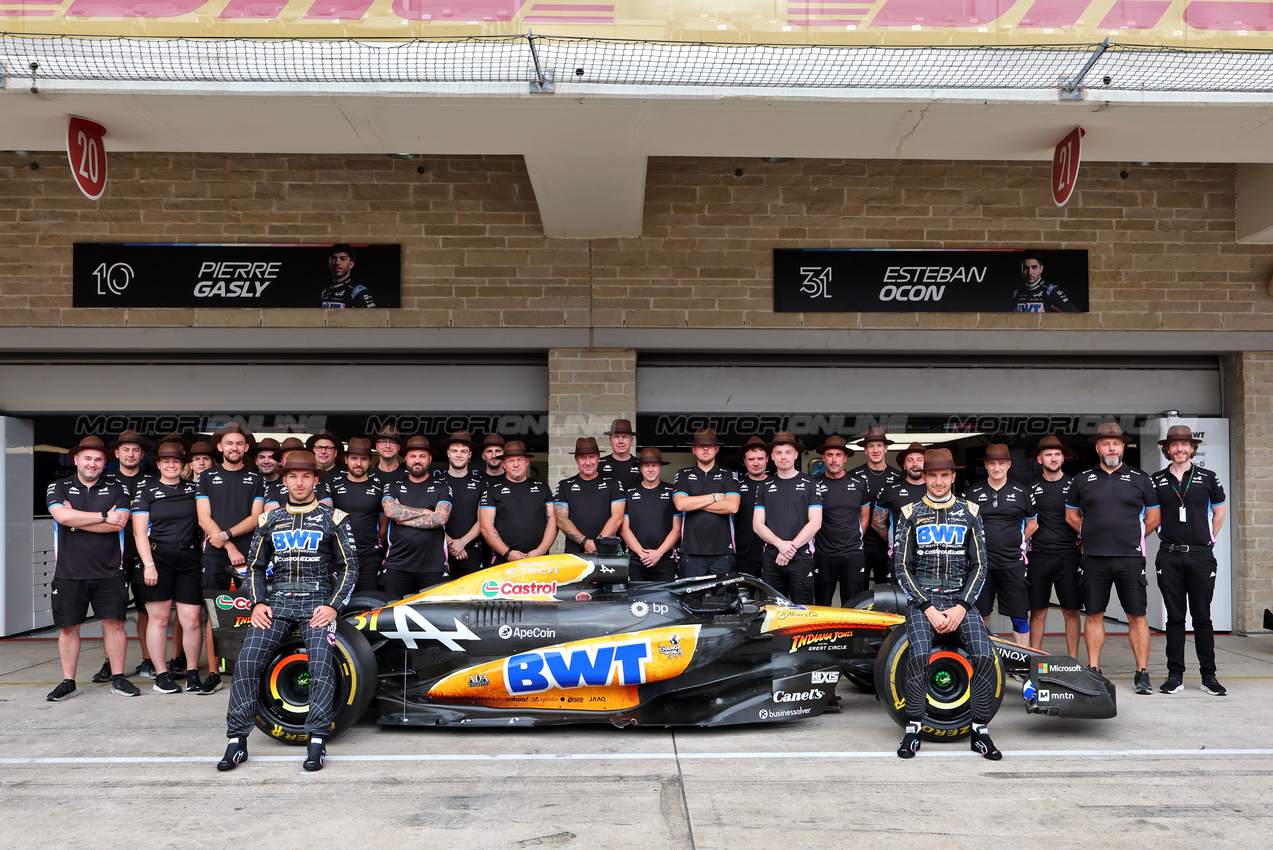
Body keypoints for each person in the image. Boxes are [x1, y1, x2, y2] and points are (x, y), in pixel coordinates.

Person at [216, 450, 358, 773]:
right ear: (284, 480)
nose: (299, 482)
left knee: (321, 665)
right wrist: (258, 603)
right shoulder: (269, 520)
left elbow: (350, 567)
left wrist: (333, 607)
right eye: (293, 476)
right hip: (276, 603)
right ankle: (236, 741)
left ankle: (317, 742)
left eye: (306, 476)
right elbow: (253, 566)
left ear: (315, 480)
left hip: (317, 603)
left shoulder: (334, 519)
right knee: (247, 662)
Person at [893, 448, 999, 760]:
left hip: (959, 601)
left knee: (982, 655)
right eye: (932, 475)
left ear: (953, 477)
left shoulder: (971, 511)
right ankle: (913, 729)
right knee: (919, 654)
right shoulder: (909, 513)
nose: (938, 481)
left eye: (944, 475)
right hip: (922, 600)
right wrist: (926, 606)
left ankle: (980, 732)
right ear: (923, 476)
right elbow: (901, 567)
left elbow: (980, 565)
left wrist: (962, 607)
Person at [1065, 421, 1161, 692]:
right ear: (1097, 448)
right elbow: (1071, 515)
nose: (1111, 448)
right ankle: (1094, 668)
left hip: (1130, 558)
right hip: (1093, 557)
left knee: (1137, 616)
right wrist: (1088, 534)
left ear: (1123, 446)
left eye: (1116, 443)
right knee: (1094, 614)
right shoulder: (1082, 479)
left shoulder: (1141, 478)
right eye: (1105, 443)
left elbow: (1154, 517)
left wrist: (1135, 537)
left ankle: (1141, 672)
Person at [45, 437, 137, 701]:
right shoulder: (58, 486)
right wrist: (103, 516)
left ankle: (118, 679)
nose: (92, 464)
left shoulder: (117, 487)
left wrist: (76, 522)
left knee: (115, 625)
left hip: (110, 571)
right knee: (69, 628)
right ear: (76, 460)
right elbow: (62, 516)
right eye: (87, 458)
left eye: (98, 459)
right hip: (68, 572)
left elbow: (120, 523)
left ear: (104, 463)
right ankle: (68, 681)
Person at [1149, 425, 1228, 696]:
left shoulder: (1208, 477)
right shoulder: (1156, 479)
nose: (1180, 449)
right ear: (1167, 449)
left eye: (1185, 444)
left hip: (1200, 556)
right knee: (1175, 618)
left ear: (1192, 448)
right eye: (1174, 445)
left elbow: (1220, 513)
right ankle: (1175, 675)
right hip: (1169, 555)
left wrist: (1208, 539)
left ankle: (1209, 676)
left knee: (1203, 618)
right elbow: (1149, 515)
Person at [195, 423, 266, 695]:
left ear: (246, 448)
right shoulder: (207, 477)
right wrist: (228, 546)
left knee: (254, 612)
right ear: (220, 448)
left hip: (251, 553)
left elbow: (256, 517)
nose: (234, 448)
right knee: (216, 614)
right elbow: (203, 518)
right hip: (215, 555)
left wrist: (226, 535)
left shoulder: (255, 477)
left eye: (239, 444)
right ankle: (214, 673)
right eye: (229, 443)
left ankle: (252, 671)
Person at [131, 441, 204, 694]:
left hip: (190, 559)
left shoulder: (195, 489)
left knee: (192, 620)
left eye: (176, 461)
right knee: (159, 619)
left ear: (183, 465)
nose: (171, 465)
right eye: (165, 461)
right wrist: (148, 565)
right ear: (158, 464)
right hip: (157, 558)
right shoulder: (146, 490)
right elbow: (139, 533)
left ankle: (192, 672)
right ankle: (161, 675)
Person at [96, 429, 157, 682]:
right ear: (117, 453)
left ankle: (148, 660)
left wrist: (124, 510)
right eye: (125, 449)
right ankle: (111, 663)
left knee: (147, 611)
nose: (130, 454)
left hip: (146, 556)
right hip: (112, 556)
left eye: (135, 450)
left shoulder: (154, 479)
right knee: (112, 614)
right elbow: (102, 512)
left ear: (142, 454)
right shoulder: (105, 479)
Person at [963, 444, 1037, 645]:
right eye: (992, 463)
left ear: (1009, 465)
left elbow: (1033, 523)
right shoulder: (972, 492)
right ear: (986, 465)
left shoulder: (1021, 491)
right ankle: (980, 663)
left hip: (1013, 564)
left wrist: (1019, 542)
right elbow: (964, 527)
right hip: (981, 565)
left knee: (1020, 617)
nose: (997, 468)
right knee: (980, 616)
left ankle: (1022, 668)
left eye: (1001, 463)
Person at [1027, 435, 1083, 657]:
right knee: (1038, 611)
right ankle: (1033, 658)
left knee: (1071, 610)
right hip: (1038, 556)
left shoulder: (1075, 485)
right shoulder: (1029, 488)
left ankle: (1073, 661)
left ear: (1063, 457)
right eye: (1048, 454)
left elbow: (1086, 518)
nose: (1053, 458)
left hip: (1069, 555)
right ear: (1040, 459)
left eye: (1057, 454)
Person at [753, 432, 822, 605]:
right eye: (778, 452)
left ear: (796, 455)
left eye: (788, 452)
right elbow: (757, 524)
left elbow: (815, 522)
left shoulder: (810, 484)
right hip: (771, 558)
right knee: (771, 612)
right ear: (772, 457)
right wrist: (780, 545)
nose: (783, 457)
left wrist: (790, 549)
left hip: (801, 558)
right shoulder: (764, 486)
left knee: (804, 612)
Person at [380, 436, 452, 598]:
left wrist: (403, 516)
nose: (417, 461)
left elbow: (440, 519)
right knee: (390, 616)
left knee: (433, 618)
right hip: (397, 565)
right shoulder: (393, 485)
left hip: (433, 567)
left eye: (422, 456)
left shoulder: (441, 486)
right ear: (405, 458)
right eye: (413, 456)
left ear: (430, 459)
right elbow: (391, 512)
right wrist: (427, 512)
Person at [672, 428, 740, 577]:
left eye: (709, 446)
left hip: (723, 551)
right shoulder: (683, 475)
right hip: (691, 551)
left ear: (716, 449)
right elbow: (681, 505)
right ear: (693, 450)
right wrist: (715, 496)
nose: (705, 449)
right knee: (690, 599)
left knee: (723, 599)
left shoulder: (728, 474)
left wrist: (694, 503)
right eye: (700, 446)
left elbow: (732, 506)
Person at [813, 435, 871, 606]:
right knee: (822, 604)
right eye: (829, 455)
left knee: (853, 604)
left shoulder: (859, 483)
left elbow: (865, 516)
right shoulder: (813, 484)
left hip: (852, 554)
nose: (833, 460)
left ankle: (853, 634)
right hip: (823, 554)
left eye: (838, 455)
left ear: (845, 458)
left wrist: (856, 538)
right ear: (823, 458)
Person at [479, 441, 556, 566]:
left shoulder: (543, 488)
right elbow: (486, 527)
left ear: (527, 462)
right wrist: (508, 553)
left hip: (538, 560)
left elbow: (553, 522)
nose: (516, 464)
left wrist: (539, 551)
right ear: (503, 464)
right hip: (503, 560)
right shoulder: (492, 491)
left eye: (519, 460)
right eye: (510, 461)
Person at [327, 438, 385, 592]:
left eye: (363, 459)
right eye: (354, 458)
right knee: (338, 605)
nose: (358, 463)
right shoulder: (333, 487)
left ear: (370, 461)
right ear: (346, 459)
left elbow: (384, 527)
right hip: (339, 558)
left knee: (369, 604)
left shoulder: (379, 488)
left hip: (369, 558)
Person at [554, 437, 625, 555]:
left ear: (598, 458)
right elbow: (561, 519)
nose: (587, 462)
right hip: (575, 554)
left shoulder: (613, 483)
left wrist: (597, 544)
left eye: (591, 457)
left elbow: (618, 516)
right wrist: (585, 542)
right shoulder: (564, 486)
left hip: (607, 552)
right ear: (576, 459)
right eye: (583, 458)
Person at [851, 427, 903, 585]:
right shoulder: (853, 477)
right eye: (871, 446)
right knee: (858, 594)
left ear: (886, 448)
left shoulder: (898, 478)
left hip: (887, 548)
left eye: (879, 445)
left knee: (887, 595)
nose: (875, 450)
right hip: (859, 546)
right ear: (865, 450)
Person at [620, 447, 682, 581]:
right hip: (637, 560)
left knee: (666, 601)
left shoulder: (672, 491)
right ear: (640, 468)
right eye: (646, 465)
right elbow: (624, 528)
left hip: (665, 560)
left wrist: (658, 553)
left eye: (654, 465)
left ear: (660, 467)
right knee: (636, 602)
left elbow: (677, 528)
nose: (650, 469)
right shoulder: (629, 493)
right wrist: (642, 554)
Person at [871, 441, 929, 582]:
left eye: (919, 460)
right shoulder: (892, 489)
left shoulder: (936, 489)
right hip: (899, 558)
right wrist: (895, 540)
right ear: (904, 465)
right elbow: (877, 523)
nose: (915, 464)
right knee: (897, 602)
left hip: (931, 560)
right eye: (910, 460)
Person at [438, 430, 486, 578]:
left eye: (463, 451)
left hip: (471, 551)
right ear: (448, 453)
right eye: (454, 451)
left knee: (470, 599)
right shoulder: (436, 483)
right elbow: (431, 518)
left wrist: (462, 543)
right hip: (440, 549)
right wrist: (452, 543)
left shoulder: (480, 484)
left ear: (469, 455)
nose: (459, 455)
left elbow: (482, 520)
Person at [733, 436, 770, 578]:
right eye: (751, 459)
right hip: (742, 555)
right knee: (742, 599)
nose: (756, 463)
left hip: (772, 555)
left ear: (768, 459)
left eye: (760, 459)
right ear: (744, 461)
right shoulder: (735, 487)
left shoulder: (776, 484)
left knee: (770, 600)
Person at [1012, 250, 1079, 313]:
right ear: (1021, 270)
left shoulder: (1051, 291)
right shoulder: (1017, 293)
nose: (1030, 272)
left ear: (1041, 269)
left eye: (1034, 267)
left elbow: (1074, 316)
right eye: (1026, 268)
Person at [320, 243, 377, 308]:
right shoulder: (325, 292)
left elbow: (372, 316)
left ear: (351, 264)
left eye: (343, 259)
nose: (337, 263)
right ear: (329, 263)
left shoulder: (359, 292)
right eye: (333, 258)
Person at [598, 419, 643, 492]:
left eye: (624, 437)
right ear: (610, 440)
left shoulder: (642, 465)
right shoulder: (599, 464)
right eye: (616, 437)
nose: (620, 441)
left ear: (631, 440)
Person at [370, 425, 407, 490]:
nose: (387, 446)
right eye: (383, 442)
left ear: (399, 447)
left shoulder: (409, 476)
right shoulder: (368, 478)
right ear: (377, 446)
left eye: (392, 442)